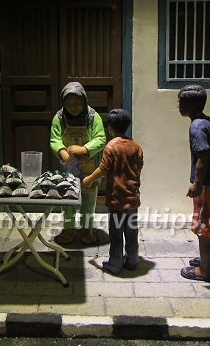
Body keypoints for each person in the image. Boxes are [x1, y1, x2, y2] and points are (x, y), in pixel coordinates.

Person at [82, 109, 143, 274]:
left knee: (116, 232)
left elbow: (103, 169)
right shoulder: (136, 146)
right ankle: (132, 260)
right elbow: (139, 167)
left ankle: (115, 264)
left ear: (110, 128)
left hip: (117, 199)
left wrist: (89, 179)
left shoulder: (111, 146)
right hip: (133, 197)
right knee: (131, 231)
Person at [177, 84, 210, 282]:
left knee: (204, 228)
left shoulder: (196, 127)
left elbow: (202, 158)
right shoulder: (207, 121)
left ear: (191, 105)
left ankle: (204, 270)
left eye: (181, 102)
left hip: (205, 185)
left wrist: (196, 185)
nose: (178, 105)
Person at [50, 82, 106, 245]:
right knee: (67, 198)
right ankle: (69, 228)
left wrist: (85, 149)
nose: (73, 107)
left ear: (84, 101)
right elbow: (54, 139)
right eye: (69, 104)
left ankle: (87, 229)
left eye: (76, 103)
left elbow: (100, 138)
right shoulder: (59, 118)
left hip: (89, 167)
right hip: (67, 167)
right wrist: (62, 152)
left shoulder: (92, 117)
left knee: (89, 200)